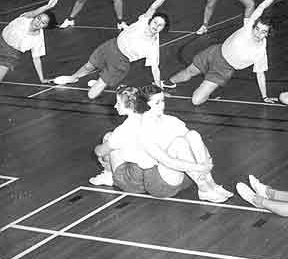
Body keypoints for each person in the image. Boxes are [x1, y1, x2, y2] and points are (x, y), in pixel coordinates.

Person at [90, 85, 232, 203]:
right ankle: (205, 186)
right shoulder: (146, 125)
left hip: (158, 175)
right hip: (161, 173)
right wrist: (202, 165)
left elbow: (100, 152)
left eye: (162, 101)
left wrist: (205, 164)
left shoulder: (149, 124)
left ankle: (209, 184)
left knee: (190, 137)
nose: (162, 105)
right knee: (180, 144)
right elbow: (169, 159)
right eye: (158, 102)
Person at [165, 0, 288, 105]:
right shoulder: (248, 28)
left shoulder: (260, 51)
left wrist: (264, 96)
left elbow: (260, 74)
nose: (258, 33)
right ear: (253, 26)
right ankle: (167, 82)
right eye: (257, 29)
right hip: (214, 52)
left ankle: (208, 92)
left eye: (263, 32)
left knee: (196, 100)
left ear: (267, 34)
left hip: (223, 69)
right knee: (189, 72)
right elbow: (262, 6)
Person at [51, 0, 182, 99]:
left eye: (160, 25)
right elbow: (154, 6)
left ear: (163, 28)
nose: (156, 26)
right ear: (150, 20)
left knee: (91, 95)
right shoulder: (143, 22)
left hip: (120, 62)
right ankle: (73, 77)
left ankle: (100, 81)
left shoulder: (153, 45)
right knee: (88, 66)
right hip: (111, 46)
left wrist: (159, 90)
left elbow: (155, 69)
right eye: (155, 22)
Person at [0, 0, 59, 83]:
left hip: (10, 54)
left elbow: (36, 58)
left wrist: (42, 79)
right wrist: (48, 6)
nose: (38, 23)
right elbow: (33, 13)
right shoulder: (25, 19)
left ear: (45, 26)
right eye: (38, 18)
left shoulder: (38, 39)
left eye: (43, 23)